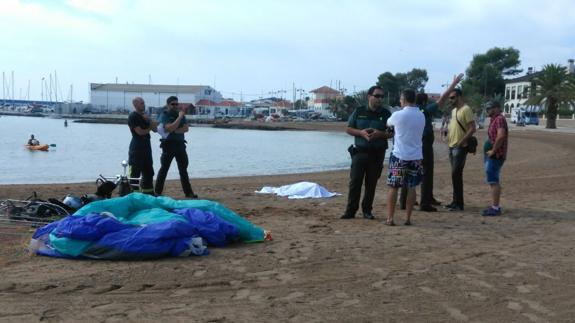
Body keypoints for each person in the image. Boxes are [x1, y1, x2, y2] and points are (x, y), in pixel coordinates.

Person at [400, 74, 464, 212]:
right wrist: (453, 83)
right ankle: (425, 202)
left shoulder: (406, 112)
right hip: (424, 145)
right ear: (424, 102)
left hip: (409, 145)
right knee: (426, 173)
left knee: (407, 173)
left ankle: (403, 201)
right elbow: (443, 98)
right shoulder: (425, 110)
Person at [341, 85, 393, 220]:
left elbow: (391, 133)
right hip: (359, 152)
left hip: (377, 153)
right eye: (377, 96)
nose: (380, 99)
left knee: (371, 184)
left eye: (381, 96)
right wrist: (361, 133)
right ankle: (350, 211)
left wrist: (379, 134)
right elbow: (348, 129)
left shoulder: (386, 114)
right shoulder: (359, 111)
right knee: (355, 182)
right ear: (369, 97)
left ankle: (367, 211)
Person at [385, 89, 425, 226]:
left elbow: (388, 123)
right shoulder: (421, 115)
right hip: (416, 157)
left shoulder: (398, 115)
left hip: (400, 156)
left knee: (394, 187)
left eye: (401, 100)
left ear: (404, 99)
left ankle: (390, 218)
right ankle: (408, 218)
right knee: (412, 187)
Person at [155, 96, 198, 198]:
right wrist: (178, 120)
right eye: (173, 104)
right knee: (164, 169)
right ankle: (157, 192)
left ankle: (189, 193)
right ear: (168, 105)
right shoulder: (165, 114)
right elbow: (168, 128)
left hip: (180, 145)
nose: (175, 106)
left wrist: (174, 129)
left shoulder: (180, 114)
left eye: (176, 104)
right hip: (168, 145)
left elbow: (186, 129)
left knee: (183, 170)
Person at [445, 87, 476, 212]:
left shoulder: (466, 109)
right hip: (452, 146)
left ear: (459, 97)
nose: (450, 100)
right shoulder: (454, 111)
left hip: (460, 147)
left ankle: (459, 204)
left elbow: (472, 128)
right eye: (449, 98)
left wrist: (463, 140)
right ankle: (455, 201)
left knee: (456, 174)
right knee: (455, 175)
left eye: (452, 97)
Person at [482, 101, 508, 216]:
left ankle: (495, 207)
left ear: (497, 108)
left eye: (490, 108)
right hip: (494, 155)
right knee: (492, 180)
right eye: (487, 108)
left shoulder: (499, 119)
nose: (488, 110)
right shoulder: (495, 119)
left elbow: (501, 135)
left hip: (496, 155)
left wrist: (493, 150)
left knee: (493, 180)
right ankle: (494, 205)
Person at [128, 97, 158, 195]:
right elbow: (140, 132)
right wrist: (149, 127)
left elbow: (155, 129)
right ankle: (134, 193)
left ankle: (148, 192)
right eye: (141, 103)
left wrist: (148, 119)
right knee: (135, 171)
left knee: (149, 170)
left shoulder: (145, 116)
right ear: (135, 105)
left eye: (144, 103)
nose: (143, 105)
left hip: (146, 146)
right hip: (137, 146)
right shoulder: (133, 116)